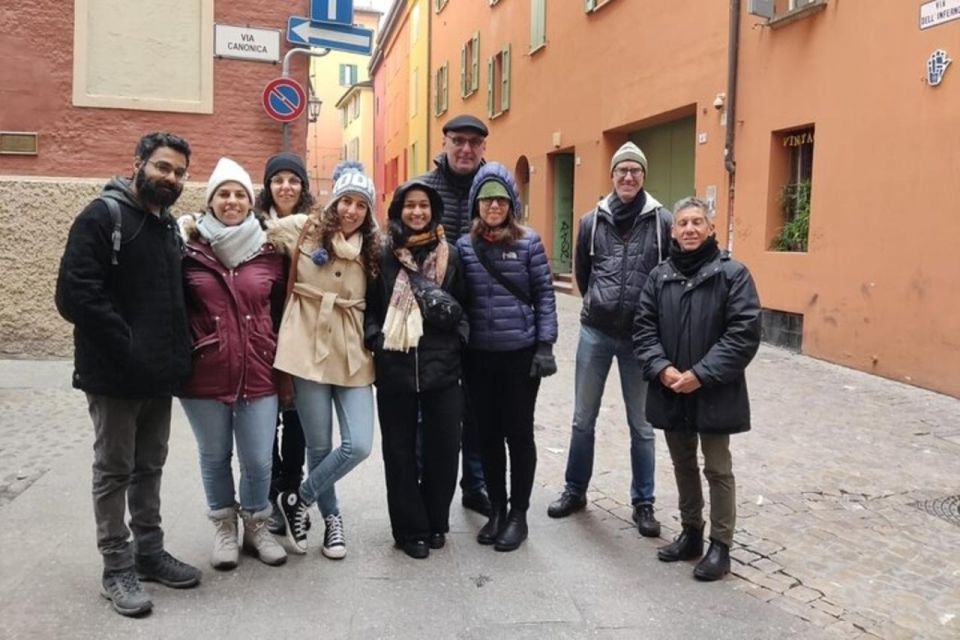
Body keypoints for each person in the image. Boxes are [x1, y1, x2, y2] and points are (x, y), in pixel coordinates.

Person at [55, 132, 201, 617]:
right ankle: (116, 566)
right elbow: (76, 295)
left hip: (158, 375)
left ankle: (149, 553)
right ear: (137, 163)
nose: (171, 178)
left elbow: (171, 299)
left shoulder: (166, 227)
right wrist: (129, 345)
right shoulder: (103, 215)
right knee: (114, 470)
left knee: (150, 466)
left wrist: (177, 355)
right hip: (114, 375)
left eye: (179, 172)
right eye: (162, 167)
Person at [547, 141, 671, 539]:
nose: (628, 177)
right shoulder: (591, 221)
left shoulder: (661, 221)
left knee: (643, 424)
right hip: (595, 332)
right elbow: (583, 274)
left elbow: (668, 275)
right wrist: (600, 304)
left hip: (641, 338)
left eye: (635, 170)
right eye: (622, 170)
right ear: (612, 176)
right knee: (583, 419)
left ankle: (644, 503)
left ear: (643, 176)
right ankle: (575, 490)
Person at [633, 197, 761, 581]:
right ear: (673, 230)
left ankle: (720, 546)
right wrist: (663, 369)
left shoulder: (733, 274)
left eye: (697, 222)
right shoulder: (659, 276)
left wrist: (701, 374)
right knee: (682, 462)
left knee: (718, 468)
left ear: (710, 229)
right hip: (672, 387)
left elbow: (744, 333)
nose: (689, 229)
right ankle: (691, 532)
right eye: (683, 223)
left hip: (715, 390)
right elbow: (644, 328)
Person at [178, 158, 287, 570]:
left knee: (258, 458)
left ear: (250, 200)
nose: (231, 201)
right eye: (223, 193)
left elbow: (280, 310)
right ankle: (224, 525)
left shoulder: (270, 249)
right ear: (210, 201)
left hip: (259, 367)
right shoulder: (188, 248)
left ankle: (256, 524)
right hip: (205, 369)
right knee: (214, 455)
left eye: (239, 194)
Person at [268, 161, 379, 560]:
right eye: (346, 201)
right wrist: (194, 226)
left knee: (360, 444)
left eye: (360, 205)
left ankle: (299, 499)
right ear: (334, 202)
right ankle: (333, 520)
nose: (351, 210)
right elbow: (254, 228)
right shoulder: (304, 230)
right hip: (305, 346)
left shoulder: (374, 249)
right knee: (319, 446)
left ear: (368, 212)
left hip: (352, 352)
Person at [456, 162, 558, 552]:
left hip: (520, 357)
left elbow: (545, 296)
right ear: (476, 206)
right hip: (479, 357)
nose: (493, 206)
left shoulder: (529, 243)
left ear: (511, 203)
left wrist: (545, 345)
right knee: (487, 437)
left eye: (500, 199)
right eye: (486, 200)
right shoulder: (466, 247)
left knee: (519, 434)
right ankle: (496, 509)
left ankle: (519, 515)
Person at [365, 180, 468, 559]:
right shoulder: (382, 254)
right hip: (395, 364)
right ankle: (409, 530)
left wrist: (458, 340)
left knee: (444, 449)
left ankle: (435, 520)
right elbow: (371, 306)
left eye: (424, 205)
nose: (417, 212)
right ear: (398, 212)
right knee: (399, 452)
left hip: (443, 366)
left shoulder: (451, 255)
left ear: (434, 211)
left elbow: (464, 306)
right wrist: (376, 337)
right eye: (409, 205)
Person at [420, 113, 491, 516]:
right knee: (434, 406)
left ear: (484, 148)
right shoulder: (425, 188)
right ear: (444, 142)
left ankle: (475, 484)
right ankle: (428, 482)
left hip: (482, 316)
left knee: (477, 407)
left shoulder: (493, 186)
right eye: (458, 141)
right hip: (435, 319)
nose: (466, 149)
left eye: (474, 143)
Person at [254, 152, 315, 536]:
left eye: (294, 180)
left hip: (302, 333)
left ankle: (291, 491)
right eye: (279, 180)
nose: (286, 187)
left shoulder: (315, 228)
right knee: (265, 418)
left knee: (297, 417)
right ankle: (274, 489)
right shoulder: (251, 226)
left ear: (303, 188)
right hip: (261, 333)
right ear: (268, 186)